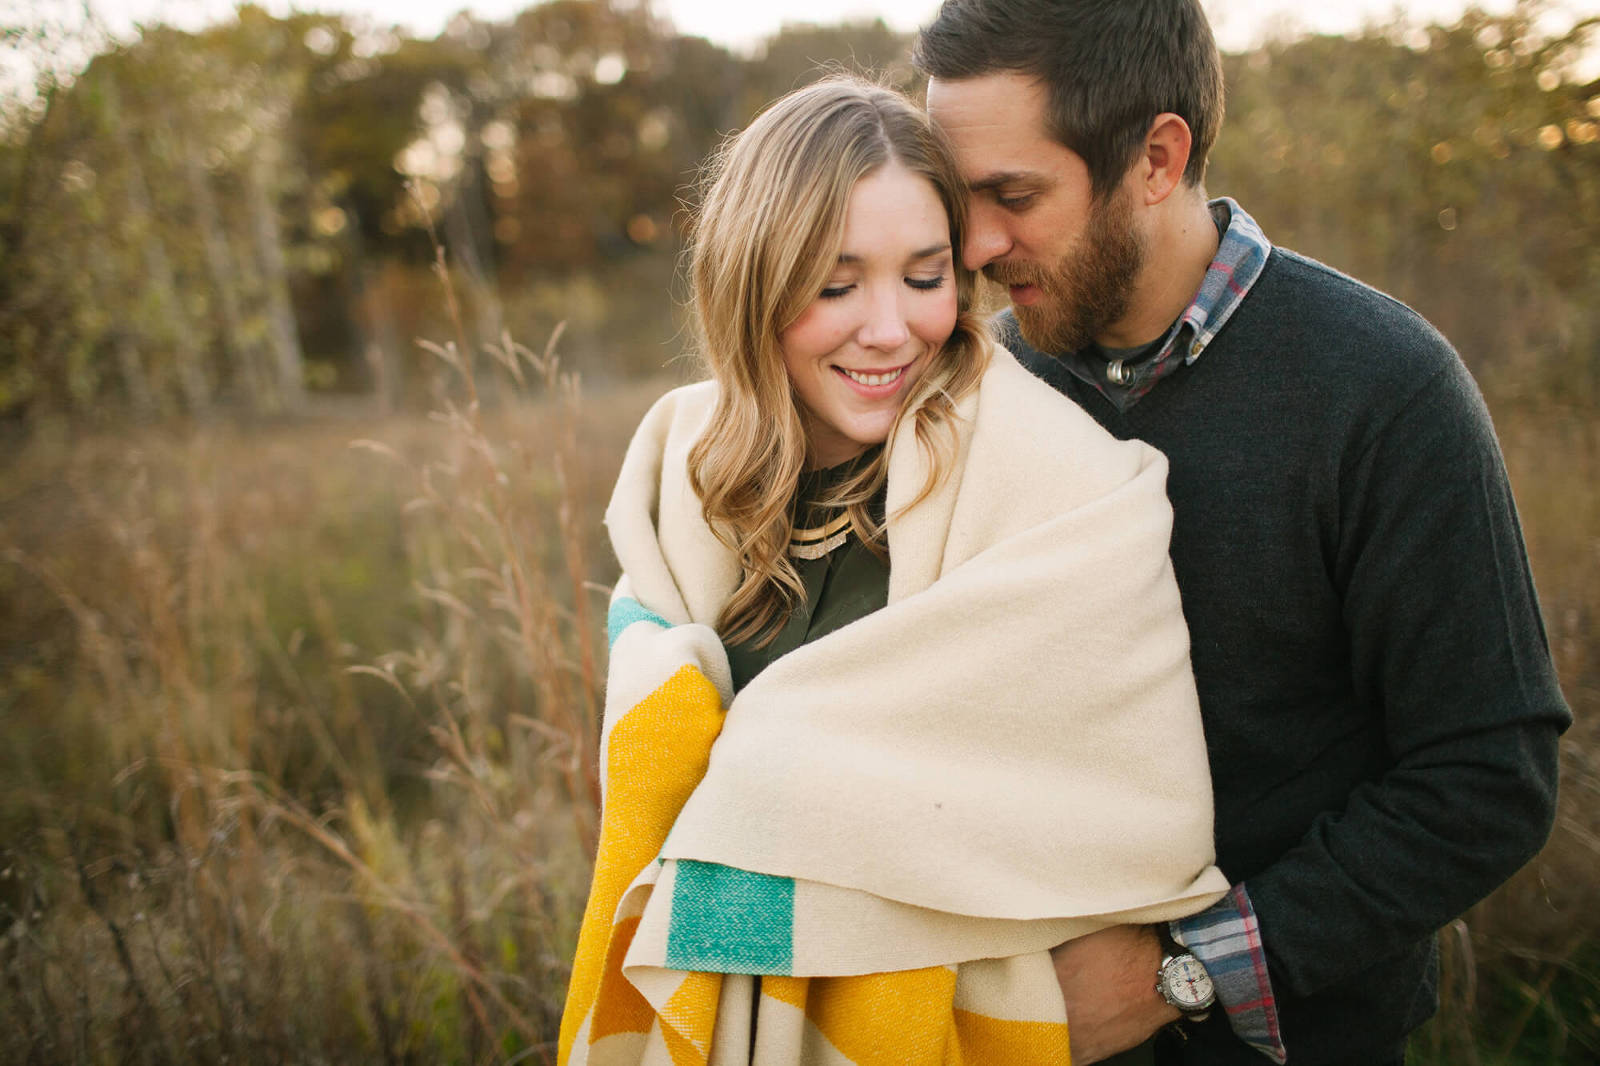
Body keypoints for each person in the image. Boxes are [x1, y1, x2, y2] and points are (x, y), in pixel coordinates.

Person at [913, 2, 1574, 1064]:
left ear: (1156, 157)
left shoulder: (1382, 386)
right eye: (960, 199)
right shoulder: (969, 390)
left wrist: (1182, 972)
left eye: (1013, 195)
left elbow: (1488, 773)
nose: (977, 245)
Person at [558, 76, 1234, 1065]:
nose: (890, 329)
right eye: (836, 286)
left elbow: (1129, 811)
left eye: (924, 277)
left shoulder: (1051, 481)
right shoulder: (685, 471)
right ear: (754, 286)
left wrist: (782, 772)